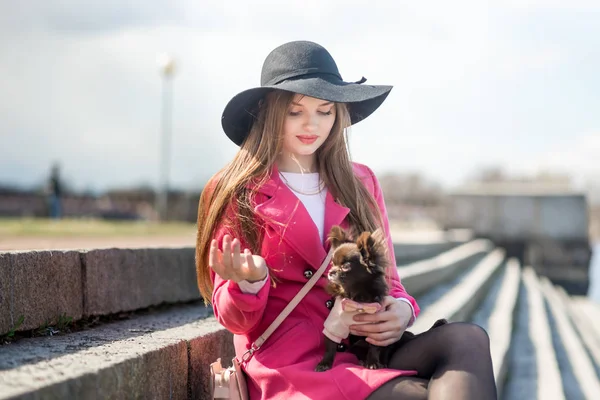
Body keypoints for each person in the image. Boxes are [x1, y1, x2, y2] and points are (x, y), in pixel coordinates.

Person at [196, 41, 497, 400]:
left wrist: (400, 311)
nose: (312, 124)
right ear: (267, 111)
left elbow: (391, 282)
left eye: (325, 111)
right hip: (296, 364)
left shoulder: (361, 182)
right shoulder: (235, 189)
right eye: (295, 111)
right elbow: (234, 321)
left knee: (469, 338)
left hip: (365, 348)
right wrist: (248, 283)